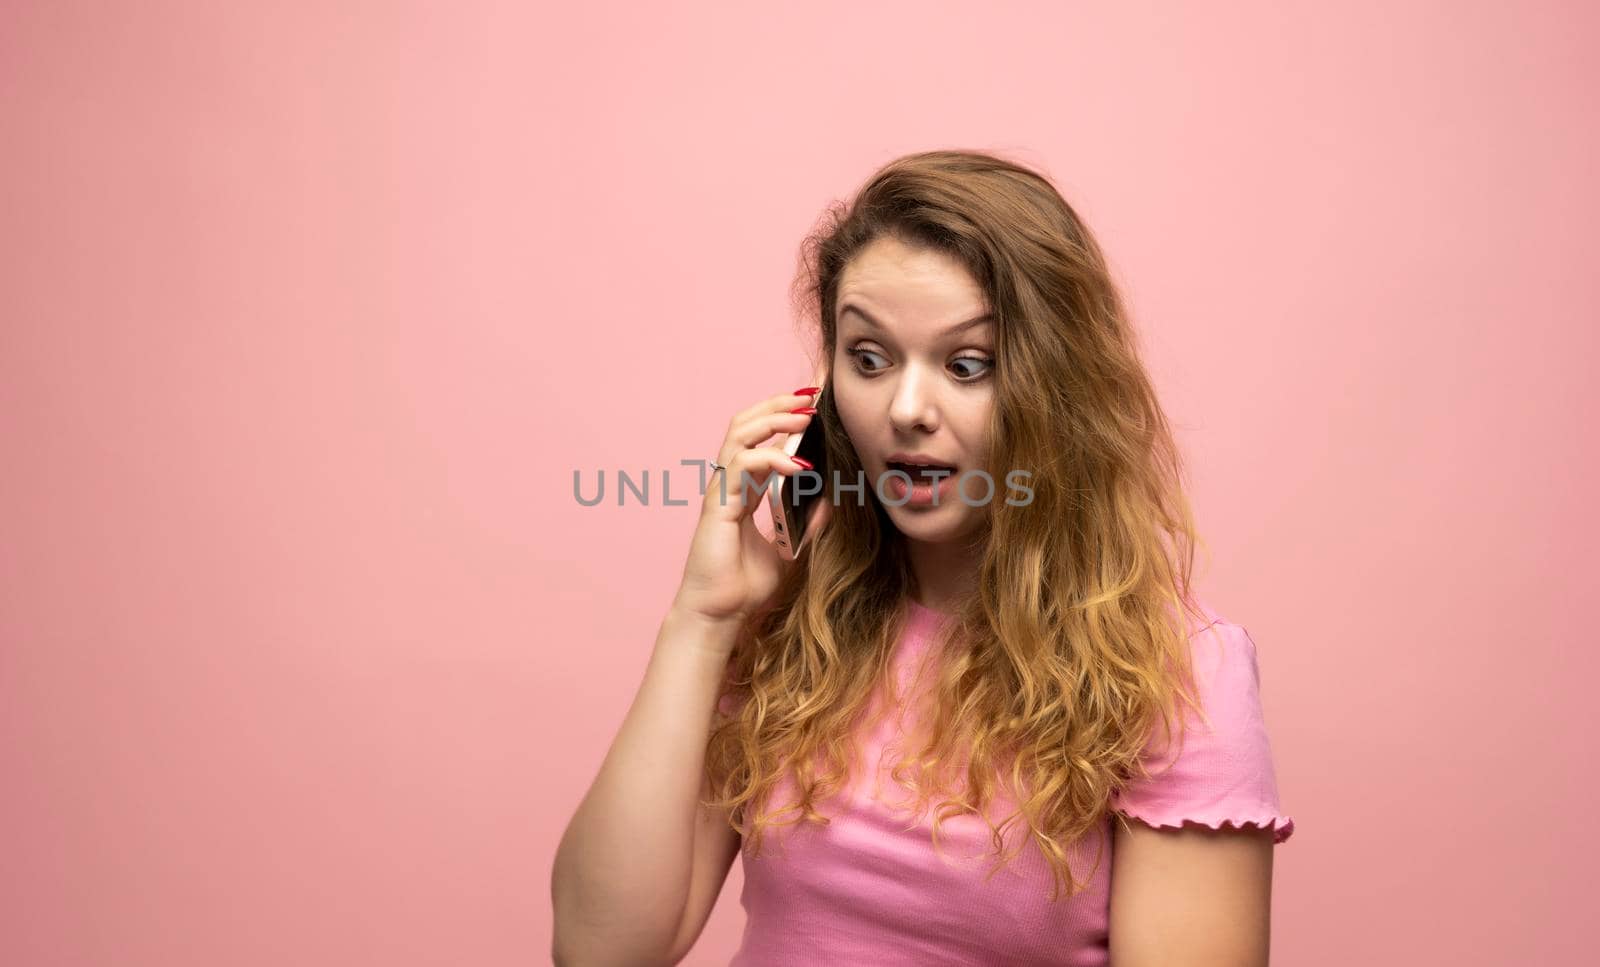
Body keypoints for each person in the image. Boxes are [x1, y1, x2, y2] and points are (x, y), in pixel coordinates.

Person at [551, 149, 1295, 966]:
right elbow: (599, 950)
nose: (906, 409)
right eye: (868, 359)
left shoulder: (1179, 670)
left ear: (1061, 386)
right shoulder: (790, 626)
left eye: (965, 364)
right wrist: (703, 620)